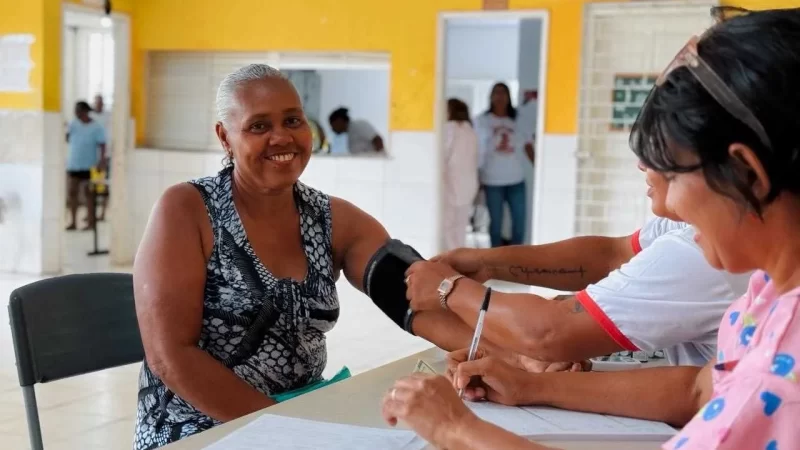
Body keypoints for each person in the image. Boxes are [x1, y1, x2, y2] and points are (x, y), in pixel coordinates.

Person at [384, 7, 800, 449]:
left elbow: (549, 332)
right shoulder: (767, 292)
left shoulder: (779, 372)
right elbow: (699, 387)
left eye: (674, 174)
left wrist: (455, 429)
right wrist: (532, 387)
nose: (670, 204)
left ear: (748, 174)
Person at [132, 64, 480, 448]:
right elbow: (170, 357)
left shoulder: (335, 220)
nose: (282, 137)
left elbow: (414, 299)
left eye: (293, 120)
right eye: (259, 126)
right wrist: (288, 431)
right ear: (224, 137)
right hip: (201, 428)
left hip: (298, 416)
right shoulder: (186, 210)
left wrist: (501, 354)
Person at [406, 159, 750, 367]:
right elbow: (610, 255)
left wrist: (448, 289)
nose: (641, 163)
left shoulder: (700, 250)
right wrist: (488, 262)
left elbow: (548, 333)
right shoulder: (688, 228)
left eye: (659, 143)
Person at [474, 82, 534, 247]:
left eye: (503, 92)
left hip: (516, 179)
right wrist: (476, 177)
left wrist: (540, 169)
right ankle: (496, 259)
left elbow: (528, 146)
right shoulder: (481, 121)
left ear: (509, 97)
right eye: (496, 92)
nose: (500, 96)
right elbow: (476, 150)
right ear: (491, 97)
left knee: (519, 221)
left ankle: (517, 259)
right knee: (495, 223)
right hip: (492, 180)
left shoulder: (519, 119)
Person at [442, 98, 479, 251]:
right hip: (469, 183)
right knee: (461, 226)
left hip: (451, 181)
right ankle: (460, 258)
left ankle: (451, 259)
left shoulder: (449, 128)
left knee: (448, 225)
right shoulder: (470, 130)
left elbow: (443, 155)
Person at [65, 101, 106, 231]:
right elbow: (67, 138)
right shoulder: (73, 124)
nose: (76, 113)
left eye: (78, 110)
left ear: (85, 111)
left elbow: (102, 145)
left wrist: (101, 161)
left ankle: (91, 222)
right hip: (74, 164)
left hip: (90, 166)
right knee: (72, 193)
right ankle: (73, 222)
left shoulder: (97, 127)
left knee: (90, 195)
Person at [91, 94, 112, 221]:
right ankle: (92, 214)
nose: (99, 104)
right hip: (92, 158)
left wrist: (104, 159)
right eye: (96, 102)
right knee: (92, 187)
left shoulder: (108, 117)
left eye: (101, 102)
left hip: (105, 157)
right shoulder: (91, 117)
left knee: (104, 186)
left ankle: (103, 213)